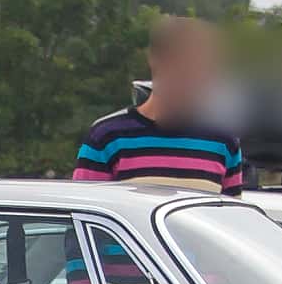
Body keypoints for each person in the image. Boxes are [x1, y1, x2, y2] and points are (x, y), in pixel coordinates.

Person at [72, 16, 245, 189]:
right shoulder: (106, 137)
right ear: (156, 61)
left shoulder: (224, 141)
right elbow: (84, 210)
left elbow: (230, 215)